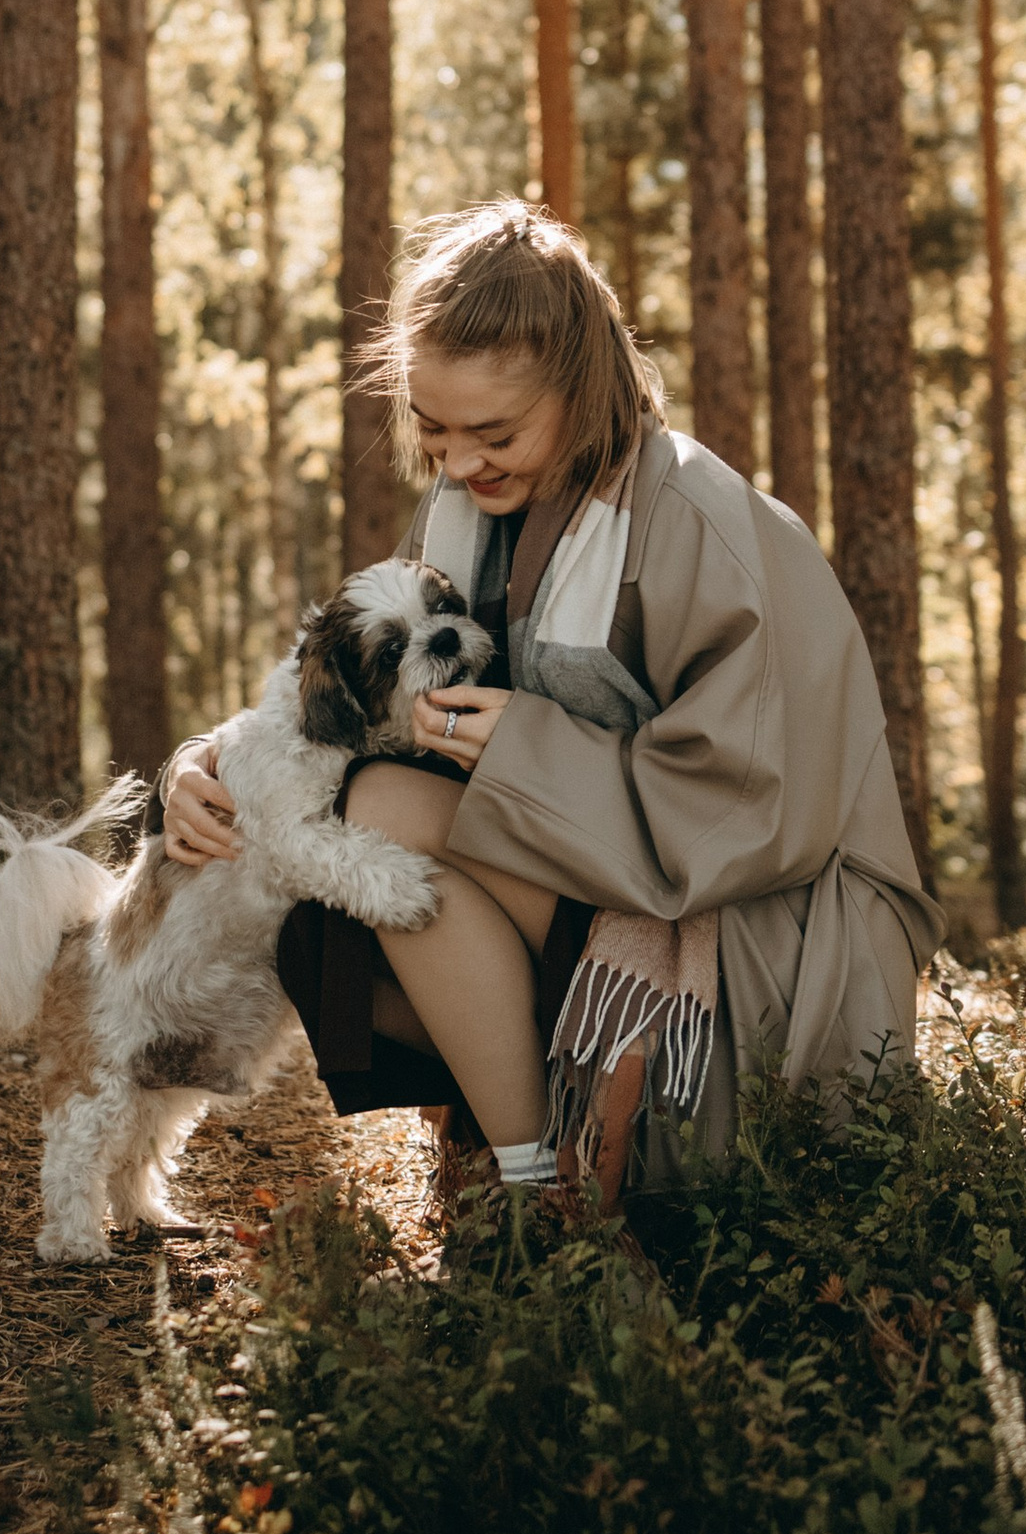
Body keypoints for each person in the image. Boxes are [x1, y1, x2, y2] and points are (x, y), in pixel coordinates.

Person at [159, 197, 939, 1201]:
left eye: (492, 431)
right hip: (601, 875)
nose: (459, 464)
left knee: (386, 815)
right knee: (366, 829)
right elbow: (350, 701)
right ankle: (534, 1172)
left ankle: (560, 1167)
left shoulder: (701, 524)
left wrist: (525, 751)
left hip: (764, 932)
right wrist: (203, 765)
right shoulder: (471, 515)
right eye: (432, 431)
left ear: (580, 386)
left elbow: (761, 810)